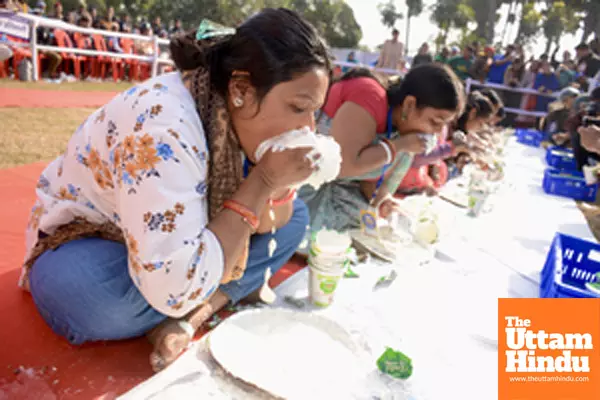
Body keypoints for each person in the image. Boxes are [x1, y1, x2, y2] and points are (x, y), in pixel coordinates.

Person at [21, 8, 331, 373]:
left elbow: (268, 223)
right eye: (298, 108)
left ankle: (194, 314)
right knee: (88, 299)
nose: (308, 127)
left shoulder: (236, 117)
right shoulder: (165, 127)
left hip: (175, 246)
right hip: (93, 241)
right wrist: (261, 182)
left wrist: (273, 186)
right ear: (241, 89)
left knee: (296, 220)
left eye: (315, 113)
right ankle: (193, 302)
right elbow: (174, 288)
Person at [299, 64, 464, 238]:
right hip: (303, 188)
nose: (436, 133)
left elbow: (368, 181)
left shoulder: (403, 130)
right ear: (409, 104)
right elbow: (343, 166)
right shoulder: (369, 95)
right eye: (435, 122)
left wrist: (385, 201)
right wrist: (398, 146)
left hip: (336, 200)